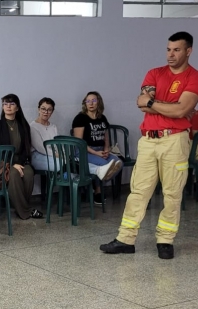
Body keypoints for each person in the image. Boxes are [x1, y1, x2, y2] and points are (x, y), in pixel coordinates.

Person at [101, 31, 198, 259]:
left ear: (188, 51)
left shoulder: (193, 77)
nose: (170, 54)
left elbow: (181, 110)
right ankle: (126, 239)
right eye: (168, 49)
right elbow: (142, 104)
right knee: (138, 191)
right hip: (148, 140)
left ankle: (165, 240)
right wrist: (168, 106)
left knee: (172, 193)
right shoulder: (154, 73)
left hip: (175, 140)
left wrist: (155, 103)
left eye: (176, 50)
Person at [0, 93, 43, 219]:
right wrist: (12, 164)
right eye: (5, 104)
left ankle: (21, 208)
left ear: (17, 108)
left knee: (29, 172)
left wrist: (22, 162)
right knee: (13, 173)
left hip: (21, 161)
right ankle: (25, 211)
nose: (8, 106)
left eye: (12, 104)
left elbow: (26, 147)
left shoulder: (23, 125)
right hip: (2, 163)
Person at [72, 91, 123, 205]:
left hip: (101, 150)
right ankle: (98, 191)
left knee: (119, 163)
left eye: (94, 100)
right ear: (85, 103)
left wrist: (106, 149)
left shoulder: (102, 118)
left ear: (98, 102)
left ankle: (96, 185)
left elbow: (106, 136)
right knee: (103, 164)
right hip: (84, 151)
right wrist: (96, 153)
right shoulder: (80, 118)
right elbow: (80, 142)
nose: (91, 103)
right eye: (88, 101)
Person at [30, 97, 59, 171]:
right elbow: (41, 148)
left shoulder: (53, 127)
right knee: (61, 165)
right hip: (38, 155)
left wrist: (61, 154)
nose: (46, 112)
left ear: (52, 112)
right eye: (43, 109)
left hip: (53, 155)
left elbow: (58, 144)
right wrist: (56, 155)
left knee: (72, 162)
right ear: (39, 109)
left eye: (49, 110)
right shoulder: (33, 126)